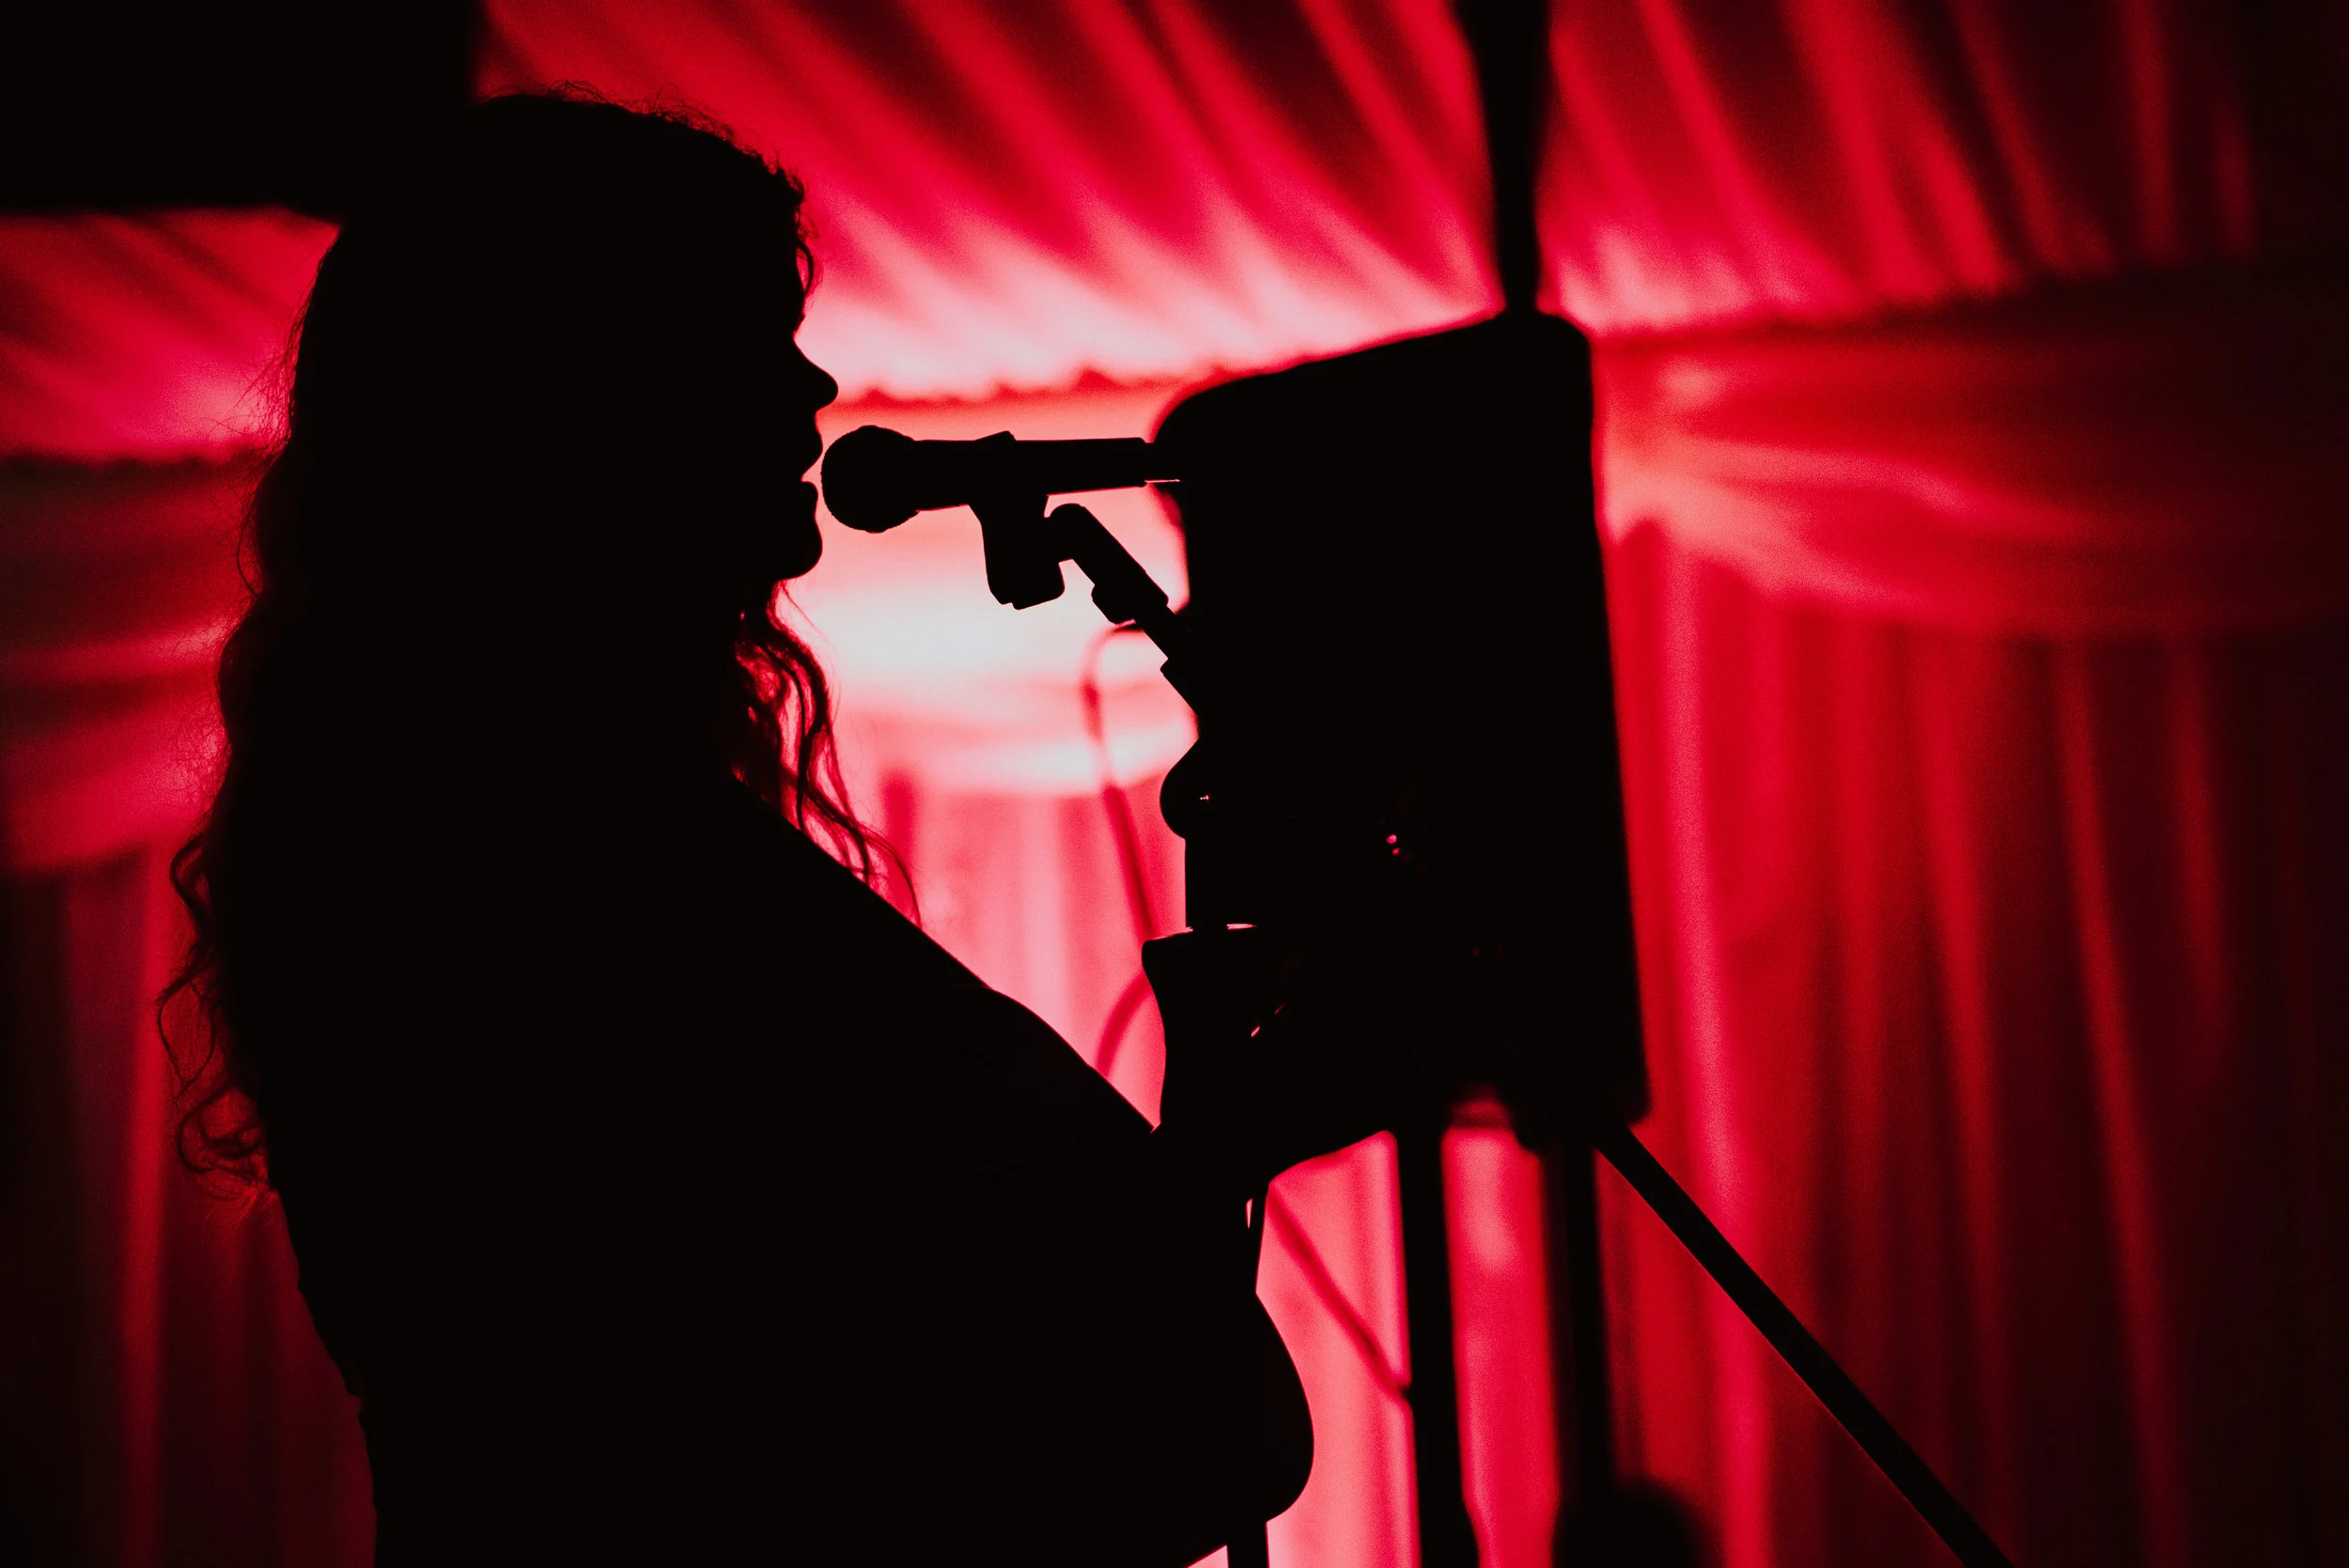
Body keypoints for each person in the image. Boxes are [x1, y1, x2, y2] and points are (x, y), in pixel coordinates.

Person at [163, 93, 1394, 1566]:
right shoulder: (592, 882)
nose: (812, 383)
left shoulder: (466, 849)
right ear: (589, 396)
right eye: (749, 333)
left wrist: (1212, 1149)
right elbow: (910, 1413)